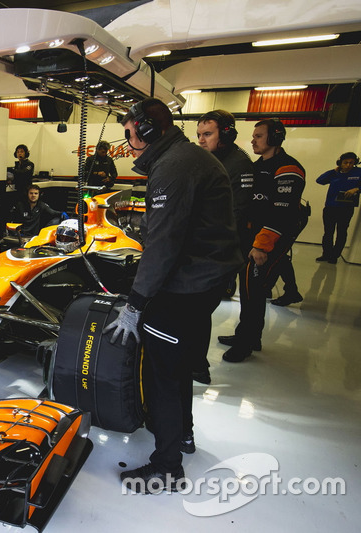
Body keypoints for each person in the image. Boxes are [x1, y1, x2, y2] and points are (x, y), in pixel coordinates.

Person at [104, 98, 241, 493]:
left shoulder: (172, 167)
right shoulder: (186, 158)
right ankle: (182, 434)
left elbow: (163, 245)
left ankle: (166, 466)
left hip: (185, 286)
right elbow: (177, 218)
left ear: (147, 132)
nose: (128, 142)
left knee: (160, 373)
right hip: (205, 282)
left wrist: (135, 304)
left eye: (130, 134)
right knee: (180, 363)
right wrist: (141, 221)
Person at [219, 119, 306, 362]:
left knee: (254, 291)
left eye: (258, 136)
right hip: (252, 237)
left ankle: (245, 344)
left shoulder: (289, 168)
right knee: (249, 291)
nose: (253, 140)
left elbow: (282, 212)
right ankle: (248, 335)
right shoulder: (258, 166)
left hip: (269, 241)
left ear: (275, 138)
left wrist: (261, 245)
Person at [193, 109, 254, 383]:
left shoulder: (238, 165)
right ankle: (195, 363)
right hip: (210, 248)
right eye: (199, 135)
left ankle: (197, 367)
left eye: (207, 134)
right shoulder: (214, 160)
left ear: (226, 134)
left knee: (198, 308)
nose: (201, 141)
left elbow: (237, 214)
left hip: (219, 252)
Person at [315, 152, 361, 263]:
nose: (349, 165)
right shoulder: (334, 173)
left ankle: (334, 256)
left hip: (346, 208)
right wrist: (333, 171)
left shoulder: (358, 172)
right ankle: (326, 254)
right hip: (331, 207)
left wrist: (357, 189)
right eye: (346, 163)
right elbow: (319, 180)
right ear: (340, 163)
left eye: (351, 163)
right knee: (328, 232)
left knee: (341, 232)